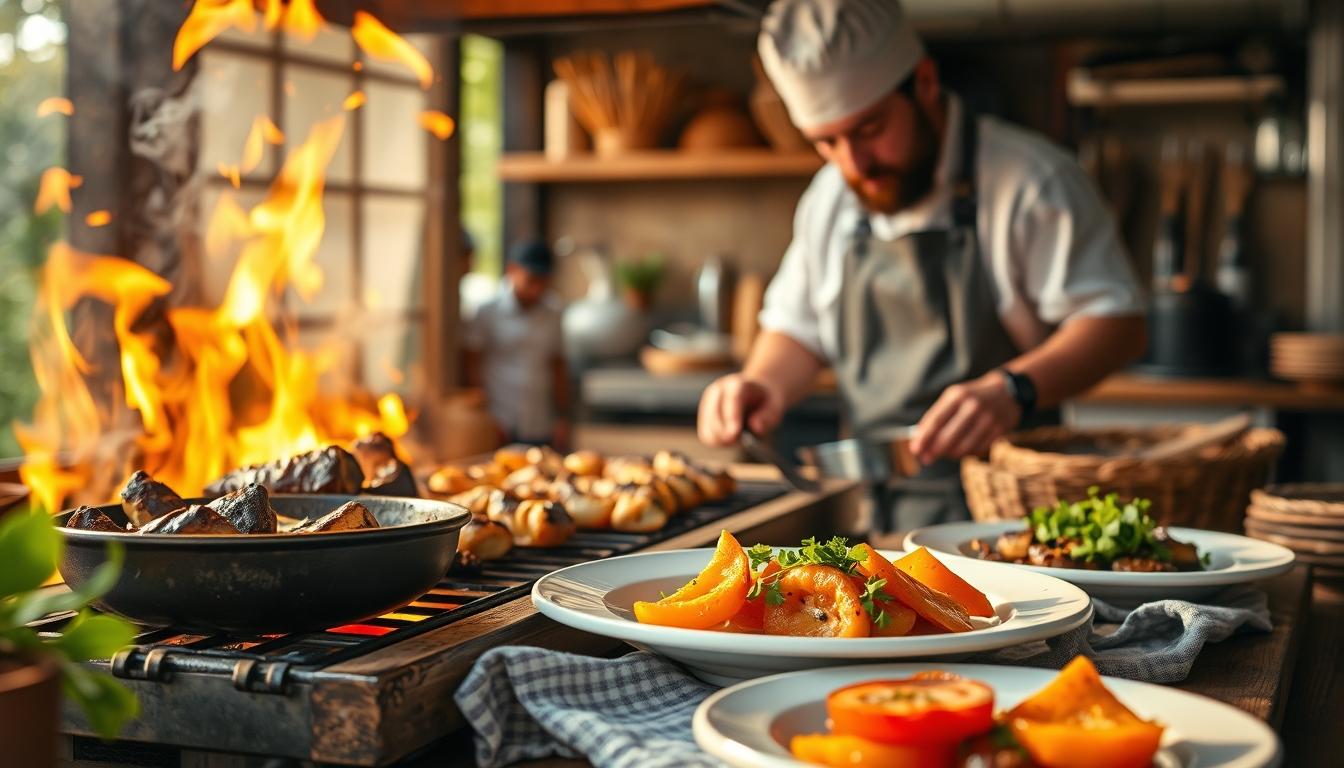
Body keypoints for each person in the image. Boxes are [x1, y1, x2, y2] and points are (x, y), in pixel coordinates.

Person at [697, 0, 1147, 529]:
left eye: (869, 129)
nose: (853, 164)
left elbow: (1118, 325)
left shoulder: (1030, 181)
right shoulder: (831, 199)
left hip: (1012, 518)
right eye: (827, 142)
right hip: (875, 520)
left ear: (925, 83)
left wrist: (1012, 389)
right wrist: (761, 385)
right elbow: (797, 329)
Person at [464, 239, 571, 450]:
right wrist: (484, 417)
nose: (537, 290)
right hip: (500, 418)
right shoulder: (488, 312)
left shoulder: (554, 312)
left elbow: (557, 364)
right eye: (532, 280)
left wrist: (562, 416)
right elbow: (471, 365)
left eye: (544, 282)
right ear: (512, 270)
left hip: (540, 420)